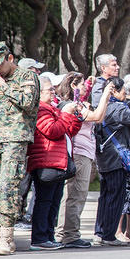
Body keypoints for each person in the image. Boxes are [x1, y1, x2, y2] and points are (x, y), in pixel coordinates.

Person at [0, 42, 40, 255]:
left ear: (10, 58)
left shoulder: (26, 77)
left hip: (15, 138)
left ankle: (7, 237)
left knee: (8, 185)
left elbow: (28, 103)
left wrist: (4, 87)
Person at [54, 71, 113, 248]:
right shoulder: (73, 106)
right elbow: (97, 117)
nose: (85, 88)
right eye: (81, 85)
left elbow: (97, 117)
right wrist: (105, 94)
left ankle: (64, 233)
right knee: (76, 194)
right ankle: (70, 235)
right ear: (73, 86)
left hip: (82, 153)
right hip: (79, 153)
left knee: (73, 195)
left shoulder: (76, 103)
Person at [27, 77, 83, 250]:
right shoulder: (40, 109)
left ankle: (49, 236)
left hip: (57, 161)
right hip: (46, 161)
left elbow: (68, 130)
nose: (53, 92)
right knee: (44, 201)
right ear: (39, 92)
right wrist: (65, 113)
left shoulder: (52, 108)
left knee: (54, 202)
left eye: (53, 89)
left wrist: (75, 116)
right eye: (49, 89)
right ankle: (39, 239)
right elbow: (52, 131)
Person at [94, 77, 130, 246]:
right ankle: (109, 235)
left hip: (106, 159)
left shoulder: (105, 106)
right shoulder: (115, 108)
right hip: (116, 160)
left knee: (105, 197)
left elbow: (126, 109)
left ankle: (100, 233)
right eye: (123, 91)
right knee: (115, 197)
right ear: (114, 92)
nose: (125, 93)